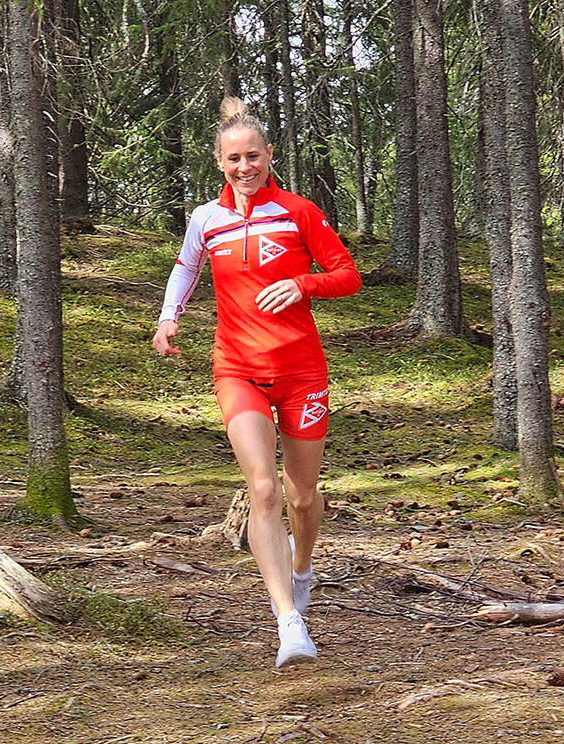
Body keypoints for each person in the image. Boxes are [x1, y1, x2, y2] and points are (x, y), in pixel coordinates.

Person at [152, 97, 361, 667]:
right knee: (263, 490)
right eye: (233, 158)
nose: (244, 167)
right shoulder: (205, 219)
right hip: (237, 368)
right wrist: (169, 317)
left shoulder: (297, 211)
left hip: (301, 372)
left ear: (270, 156)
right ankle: (288, 623)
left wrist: (303, 285)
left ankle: (301, 570)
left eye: (254, 156)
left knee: (302, 496)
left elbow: (347, 275)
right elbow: (186, 267)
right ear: (220, 162)